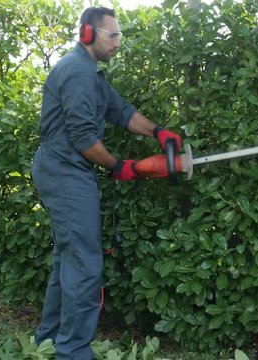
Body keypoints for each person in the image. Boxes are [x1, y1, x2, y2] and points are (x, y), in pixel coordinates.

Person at [31, 6, 181, 359]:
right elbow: (84, 138)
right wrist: (119, 167)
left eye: (119, 36)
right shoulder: (77, 72)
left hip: (67, 168)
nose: (117, 43)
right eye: (111, 35)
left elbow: (122, 112)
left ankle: (49, 340)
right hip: (65, 169)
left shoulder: (92, 74)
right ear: (87, 33)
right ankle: (73, 351)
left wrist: (159, 133)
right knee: (84, 260)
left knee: (68, 257)